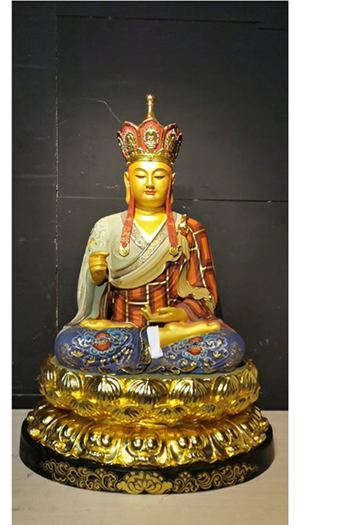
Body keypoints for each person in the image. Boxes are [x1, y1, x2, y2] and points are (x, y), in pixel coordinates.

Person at [54, 95, 245, 374]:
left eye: (159, 175)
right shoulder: (106, 227)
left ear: (172, 181)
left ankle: (143, 348)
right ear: (127, 180)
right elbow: (90, 307)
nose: (150, 183)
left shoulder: (189, 229)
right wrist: (97, 279)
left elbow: (205, 297)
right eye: (141, 175)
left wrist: (179, 313)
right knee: (67, 345)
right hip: (122, 328)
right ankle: (151, 345)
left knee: (230, 346)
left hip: (171, 328)